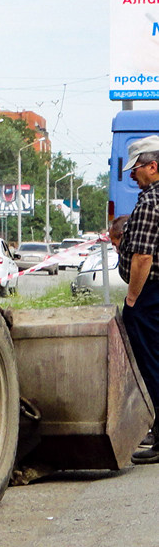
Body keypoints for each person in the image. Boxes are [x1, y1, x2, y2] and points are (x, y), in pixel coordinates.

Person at [118, 136, 159, 463]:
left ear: (153, 166)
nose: (132, 175)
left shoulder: (149, 202)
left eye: (136, 169)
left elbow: (143, 257)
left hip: (150, 295)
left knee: (150, 361)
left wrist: (132, 299)